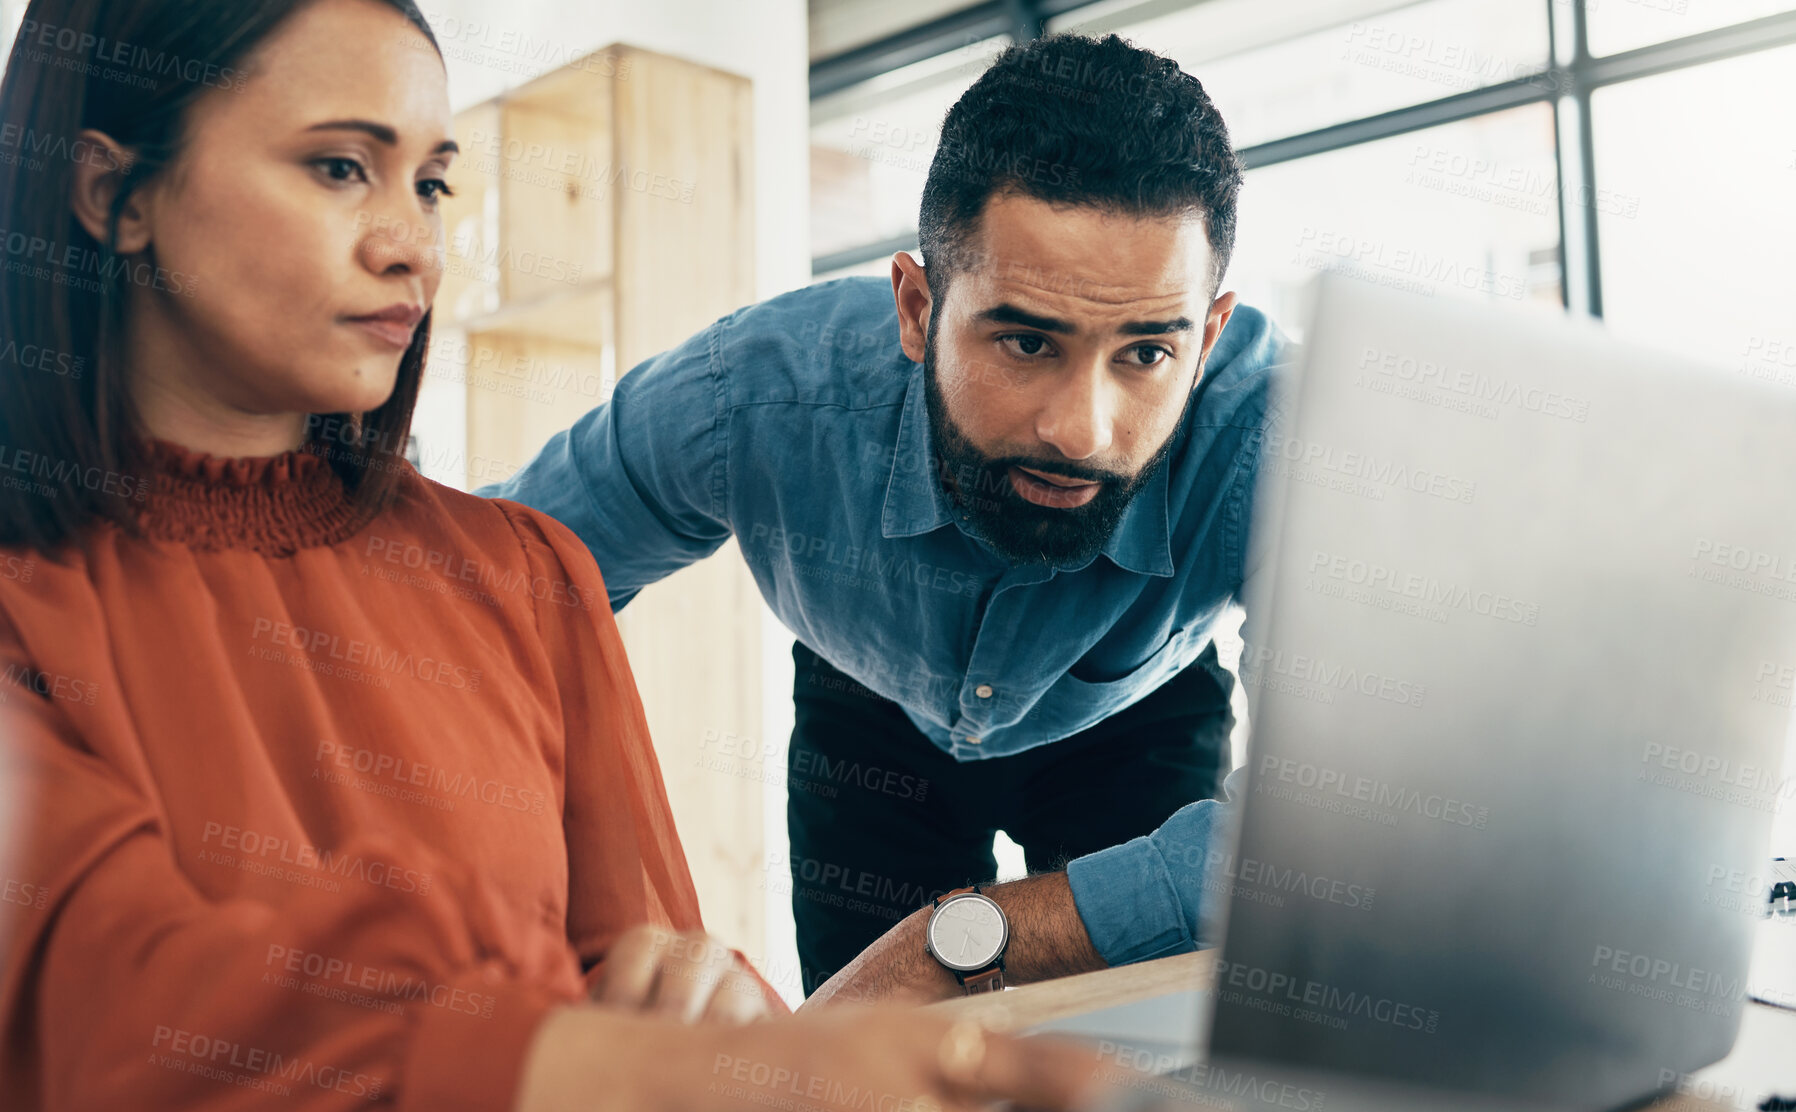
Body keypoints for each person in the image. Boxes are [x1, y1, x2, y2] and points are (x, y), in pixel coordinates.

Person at [0, 1, 1119, 1108]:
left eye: (429, 182)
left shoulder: (522, 570)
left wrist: (704, 1003)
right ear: (113, 192)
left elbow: (652, 967)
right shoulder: (27, 608)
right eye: (341, 167)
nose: (411, 245)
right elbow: (116, 997)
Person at [486, 31, 1289, 998]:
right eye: (1028, 342)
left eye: (1147, 354)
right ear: (915, 307)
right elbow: (484, 600)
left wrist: (950, 944)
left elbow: (1338, 833)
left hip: (1138, 714)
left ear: (1207, 336)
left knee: (1139, 1046)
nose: (1083, 430)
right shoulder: (747, 397)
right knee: (856, 1065)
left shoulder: (1273, 437)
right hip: (868, 713)